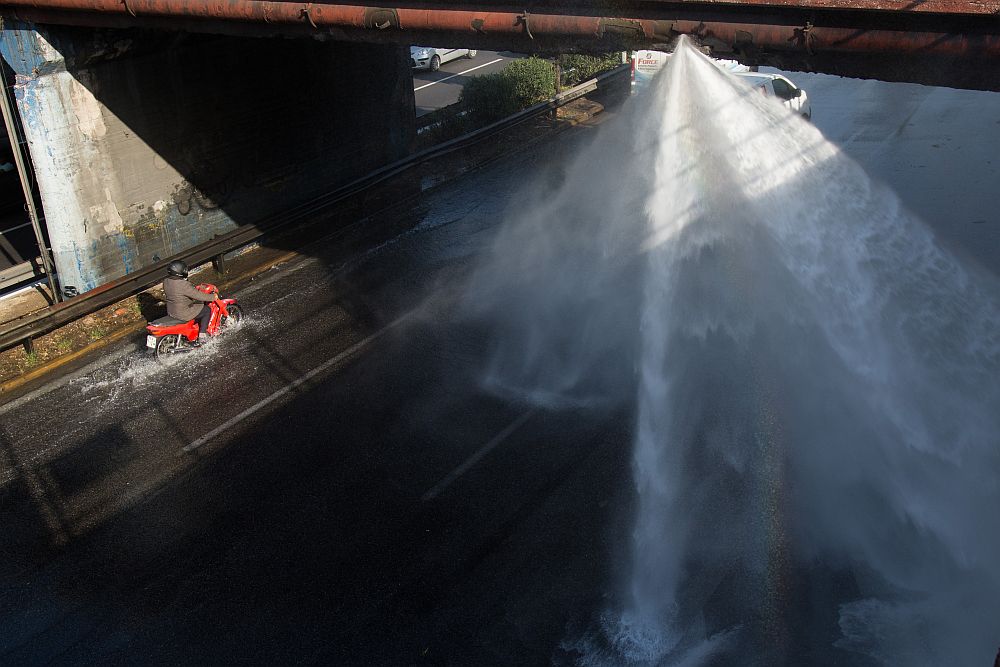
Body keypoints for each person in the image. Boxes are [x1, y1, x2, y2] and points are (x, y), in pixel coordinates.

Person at [162, 260, 220, 343]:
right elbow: (199, 296)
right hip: (183, 313)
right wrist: (212, 297)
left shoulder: (166, 281)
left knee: (197, 307)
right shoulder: (183, 284)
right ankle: (202, 336)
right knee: (206, 310)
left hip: (172, 311)